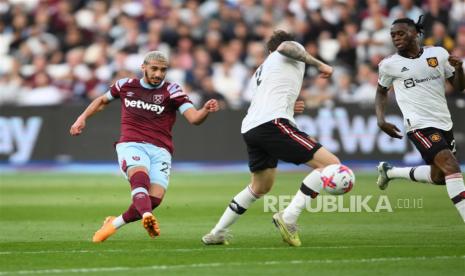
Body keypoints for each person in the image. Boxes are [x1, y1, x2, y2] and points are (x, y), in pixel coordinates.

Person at [201, 30, 347, 247]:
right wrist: (320, 64)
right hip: (272, 124)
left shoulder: (259, 72)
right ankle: (288, 218)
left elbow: (266, 98)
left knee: (259, 188)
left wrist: (290, 106)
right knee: (331, 166)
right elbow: (286, 47)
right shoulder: (286, 50)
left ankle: (217, 232)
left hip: (252, 128)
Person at [70, 51, 219, 242]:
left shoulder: (172, 91)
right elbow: (101, 101)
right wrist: (81, 118)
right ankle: (147, 216)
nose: (158, 74)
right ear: (143, 68)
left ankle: (113, 224)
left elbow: (194, 119)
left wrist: (205, 109)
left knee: (154, 199)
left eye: (163, 70)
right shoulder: (126, 85)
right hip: (131, 143)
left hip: (161, 150)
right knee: (140, 176)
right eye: (154, 69)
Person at [375, 17, 465, 222]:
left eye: (401, 33)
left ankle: (390, 172)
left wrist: (459, 69)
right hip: (418, 125)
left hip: (443, 122)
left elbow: (459, 86)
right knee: (451, 166)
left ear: (416, 33)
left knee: (440, 177)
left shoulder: (439, 54)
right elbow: (381, 92)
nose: (396, 38)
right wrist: (381, 120)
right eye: (393, 35)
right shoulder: (389, 65)